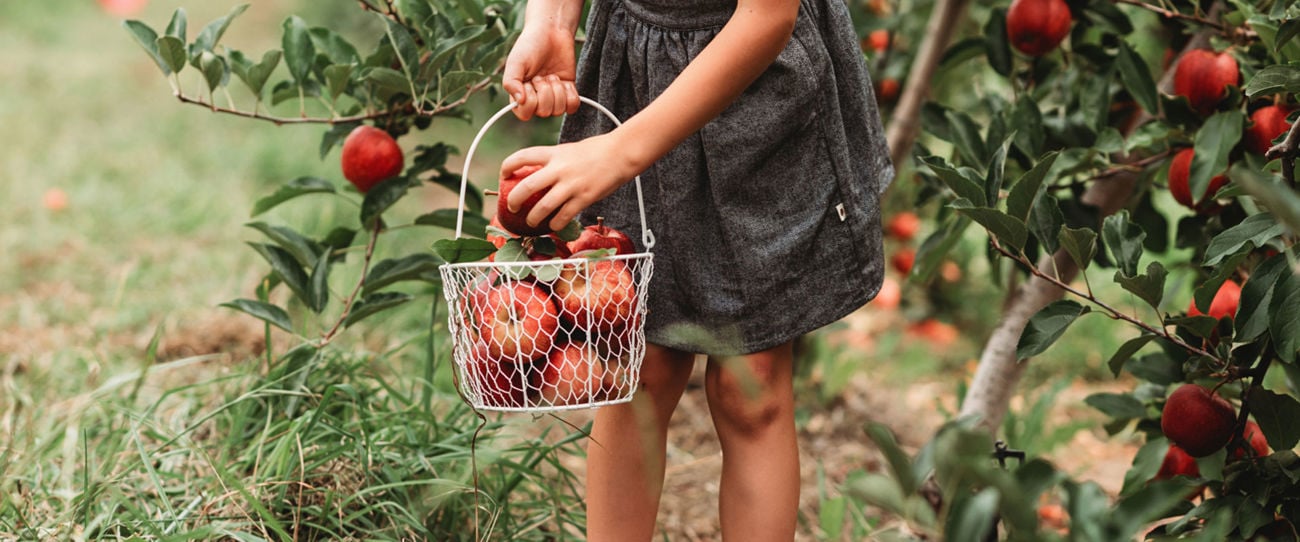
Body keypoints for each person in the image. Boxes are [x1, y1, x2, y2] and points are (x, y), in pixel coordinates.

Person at [498, 0, 894, 539]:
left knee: (749, 383)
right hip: (637, 70)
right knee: (638, 366)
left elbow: (766, 17)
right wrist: (551, 22)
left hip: (758, 83)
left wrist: (618, 154)